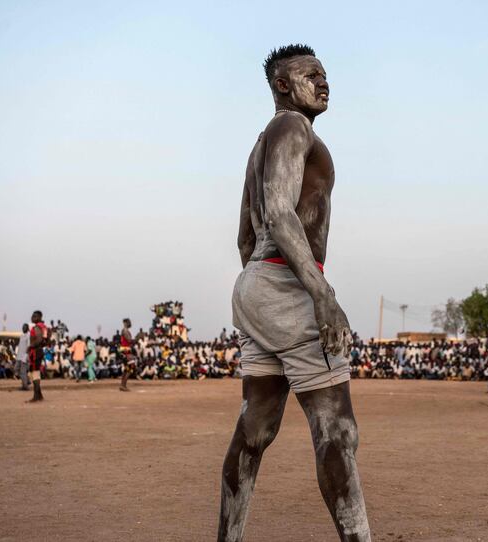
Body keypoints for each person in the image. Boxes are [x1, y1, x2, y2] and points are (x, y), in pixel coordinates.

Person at [218, 44, 370, 542]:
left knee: (255, 429)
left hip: (257, 279)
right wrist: (318, 292)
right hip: (289, 278)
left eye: (326, 74)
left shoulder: (258, 145)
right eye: (311, 75)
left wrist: (261, 291)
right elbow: (281, 213)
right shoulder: (292, 128)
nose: (324, 82)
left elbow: (245, 236)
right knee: (336, 429)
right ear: (283, 85)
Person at [26, 311, 48, 403]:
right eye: (32, 316)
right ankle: (39, 395)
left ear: (39, 317)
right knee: (35, 373)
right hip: (38, 351)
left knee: (34, 373)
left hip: (35, 351)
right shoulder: (43, 327)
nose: (32, 317)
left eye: (34, 316)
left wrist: (30, 346)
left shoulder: (37, 327)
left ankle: (36, 396)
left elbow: (39, 339)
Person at [119, 318, 138, 391]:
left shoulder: (125, 330)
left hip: (125, 350)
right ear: (126, 323)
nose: (130, 323)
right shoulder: (125, 331)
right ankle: (123, 385)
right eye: (129, 322)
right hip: (126, 350)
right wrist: (136, 339)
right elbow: (129, 340)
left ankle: (122, 385)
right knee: (130, 368)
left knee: (127, 368)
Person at [15, 324, 30, 390]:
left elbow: (29, 346)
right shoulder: (21, 336)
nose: (23, 328)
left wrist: (26, 356)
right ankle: (27, 381)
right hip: (19, 356)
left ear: (27, 328)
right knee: (16, 369)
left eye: (24, 327)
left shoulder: (28, 336)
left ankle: (25, 386)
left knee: (23, 371)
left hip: (24, 356)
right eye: (22, 327)